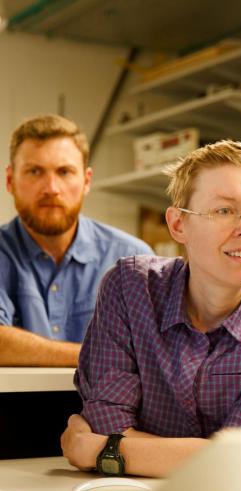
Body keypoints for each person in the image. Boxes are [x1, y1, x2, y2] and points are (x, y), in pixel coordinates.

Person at [61, 139, 241, 477]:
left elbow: (238, 459)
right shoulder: (130, 288)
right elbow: (107, 420)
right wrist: (205, 456)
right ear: (178, 225)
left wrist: (102, 450)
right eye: (224, 210)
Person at [0, 114, 153, 367]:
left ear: (86, 181)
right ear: (9, 180)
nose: (51, 187)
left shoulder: (133, 259)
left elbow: (154, 352)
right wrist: (98, 355)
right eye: (34, 171)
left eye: (64, 171)